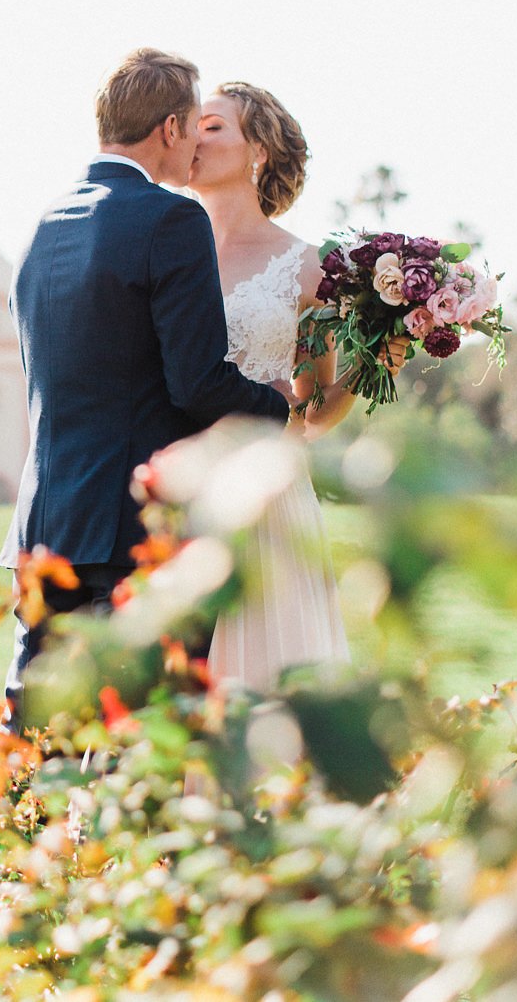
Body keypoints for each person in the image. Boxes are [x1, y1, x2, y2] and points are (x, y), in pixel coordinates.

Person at [0, 49, 292, 731]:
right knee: (150, 747)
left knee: (42, 742)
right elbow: (197, 383)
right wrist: (278, 402)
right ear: (168, 128)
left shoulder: (45, 223)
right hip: (136, 535)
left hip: (46, 527)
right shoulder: (170, 219)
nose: (196, 140)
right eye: (194, 124)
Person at [189, 81, 400, 689]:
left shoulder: (306, 267)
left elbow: (309, 413)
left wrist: (371, 366)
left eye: (213, 127)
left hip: (263, 501)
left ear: (258, 150)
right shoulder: (168, 251)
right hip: (171, 483)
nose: (193, 139)